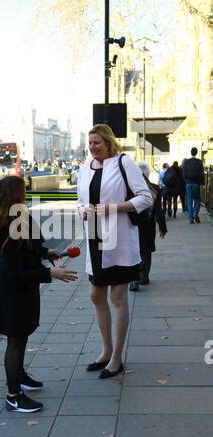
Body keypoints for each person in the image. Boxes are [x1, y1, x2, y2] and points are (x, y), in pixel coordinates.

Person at [0, 176, 77, 412]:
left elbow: (31, 247)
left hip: (23, 289)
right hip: (10, 291)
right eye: (23, 190)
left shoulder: (21, 216)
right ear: (15, 195)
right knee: (15, 340)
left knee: (23, 334)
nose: (26, 193)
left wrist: (48, 252)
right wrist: (50, 274)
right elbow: (16, 271)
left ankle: (20, 376)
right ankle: (13, 396)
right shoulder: (6, 225)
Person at [77, 124, 153, 378]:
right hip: (95, 236)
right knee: (96, 295)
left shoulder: (123, 163)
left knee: (118, 297)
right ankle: (106, 351)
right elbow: (80, 202)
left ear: (108, 142)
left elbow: (145, 198)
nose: (92, 147)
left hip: (119, 239)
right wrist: (82, 212)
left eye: (97, 142)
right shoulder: (84, 169)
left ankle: (117, 358)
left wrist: (114, 208)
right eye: (90, 143)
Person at [129, 162, 167, 291]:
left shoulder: (131, 188)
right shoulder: (155, 188)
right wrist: (162, 228)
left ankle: (134, 278)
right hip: (148, 225)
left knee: (134, 250)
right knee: (146, 251)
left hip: (133, 224)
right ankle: (144, 276)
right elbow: (158, 211)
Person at [182, 147, 205, 224]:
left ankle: (190, 219)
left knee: (189, 201)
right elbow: (202, 173)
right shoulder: (199, 162)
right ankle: (195, 214)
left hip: (188, 183)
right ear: (196, 153)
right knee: (197, 199)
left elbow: (184, 173)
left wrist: (185, 181)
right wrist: (202, 183)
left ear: (190, 152)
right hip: (196, 183)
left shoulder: (186, 162)